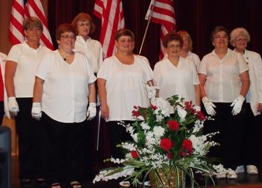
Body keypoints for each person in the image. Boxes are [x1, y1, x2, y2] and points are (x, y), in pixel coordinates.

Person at [32, 23, 97, 188]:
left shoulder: (82, 58)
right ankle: (54, 179)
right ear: (58, 40)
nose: (69, 40)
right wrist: (36, 105)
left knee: (75, 148)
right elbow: (39, 82)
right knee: (54, 149)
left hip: (79, 113)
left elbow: (91, 83)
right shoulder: (49, 58)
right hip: (54, 112)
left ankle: (73, 177)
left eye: (72, 37)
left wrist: (92, 104)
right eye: (65, 36)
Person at [5, 17, 52, 186]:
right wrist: (11, 98)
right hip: (23, 99)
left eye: (38, 29)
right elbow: (9, 76)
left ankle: (41, 173)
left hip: (44, 99)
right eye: (31, 29)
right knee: (26, 138)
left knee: (43, 138)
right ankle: (26, 173)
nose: (35, 32)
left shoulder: (48, 52)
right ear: (25, 32)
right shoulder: (17, 49)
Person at [198, 26, 250, 179]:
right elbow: (200, 82)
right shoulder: (207, 58)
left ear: (228, 40)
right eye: (217, 37)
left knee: (233, 136)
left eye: (224, 37)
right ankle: (217, 167)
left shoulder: (237, 57)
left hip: (233, 104)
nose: (221, 39)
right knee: (214, 137)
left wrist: (241, 98)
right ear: (212, 41)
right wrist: (204, 99)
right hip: (212, 104)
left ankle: (230, 166)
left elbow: (246, 80)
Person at [97, 28, 153, 160]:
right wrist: (104, 105)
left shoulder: (142, 60)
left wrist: (152, 105)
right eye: (123, 40)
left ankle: (139, 176)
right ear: (116, 43)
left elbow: (151, 84)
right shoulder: (109, 62)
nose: (126, 43)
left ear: (133, 43)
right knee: (119, 146)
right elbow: (101, 84)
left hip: (141, 112)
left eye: (129, 40)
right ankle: (123, 177)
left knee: (140, 147)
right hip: (117, 112)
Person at [230, 27, 262, 175]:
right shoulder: (229, 56)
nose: (242, 41)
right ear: (233, 42)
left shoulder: (255, 56)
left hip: (252, 100)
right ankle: (238, 163)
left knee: (251, 133)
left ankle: (251, 163)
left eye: (244, 39)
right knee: (236, 133)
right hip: (234, 101)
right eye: (238, 39)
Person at [71, 12, 103, 180]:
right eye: (81, 24)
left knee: (89, 130)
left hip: (93, 85)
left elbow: (101, 67)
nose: (84, 27)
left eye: (87, 24)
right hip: (76, 85)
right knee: (76, 129)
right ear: (76, 26)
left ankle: (88, 167)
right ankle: (74, 167)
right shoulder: (71, 41)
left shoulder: (96, 44)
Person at [153, 32, 200, 111]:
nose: (175, 49)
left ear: (180, 47)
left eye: (177, 46)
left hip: (188, 110)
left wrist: (198, 108)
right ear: (166, 48)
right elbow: (156, 91)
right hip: (167, 111)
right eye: (172, 46)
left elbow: (196, 87)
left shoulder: (190, 64)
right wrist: (157, 110)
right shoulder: (159, 66)